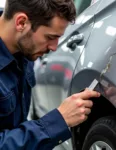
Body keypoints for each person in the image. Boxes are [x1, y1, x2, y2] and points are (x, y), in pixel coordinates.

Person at [0, 0, 101, 149]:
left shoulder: (22, 49)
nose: (54, 47)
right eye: (50, 37)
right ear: (21, 23)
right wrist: (58, 120)